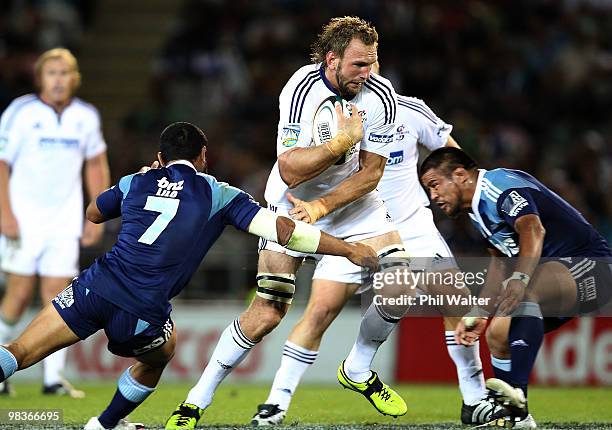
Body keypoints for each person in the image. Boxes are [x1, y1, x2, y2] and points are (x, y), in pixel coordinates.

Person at [0, 121, 378, 430]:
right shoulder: (220, 194)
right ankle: (103, 426)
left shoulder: (137, 181)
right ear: (203, 157)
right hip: (143, 310)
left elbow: (94, 213)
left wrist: (142, 178)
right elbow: (286, 232)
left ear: (160, 157)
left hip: (95, 287)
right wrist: (348, 249)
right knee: (159, 356)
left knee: (18, 352)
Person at [167, 17, 411, 429]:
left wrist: (324, 206)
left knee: (403, 282)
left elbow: (371, 175)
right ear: (331, 60)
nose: (367, 73)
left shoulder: (382, 95)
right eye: (358, 65)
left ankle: (357, 368)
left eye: (372, 62)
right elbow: (291, 169)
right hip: (290, 202)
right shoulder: (301, 88)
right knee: (268, 311)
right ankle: (195, 401)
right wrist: (339, 143)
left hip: (352, 204)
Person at [419, 147, 612, 428]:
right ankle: (519, 418)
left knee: (525, 291)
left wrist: (520, 281)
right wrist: (480, 313)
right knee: (498, 335)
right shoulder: (477, 214)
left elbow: (533, 229)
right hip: (556, 277)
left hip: (592, 267)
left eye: (435, 185)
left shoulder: (498, 186)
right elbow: (499, 263)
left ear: (460, 175)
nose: (433, 197)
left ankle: (514, 396)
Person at [0, 47, 110, 396]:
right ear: (41, 78)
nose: (59, 80)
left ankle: (52, 379)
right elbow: (1, 164)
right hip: (24, 219)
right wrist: (4, 212)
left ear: (74, 78)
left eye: (64, 73)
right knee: (17, 297)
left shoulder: (86, 116)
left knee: (58, 298)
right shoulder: (20, 111)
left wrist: (97, 214)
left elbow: (95, 165)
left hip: (63, 222)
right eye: (52, 73)